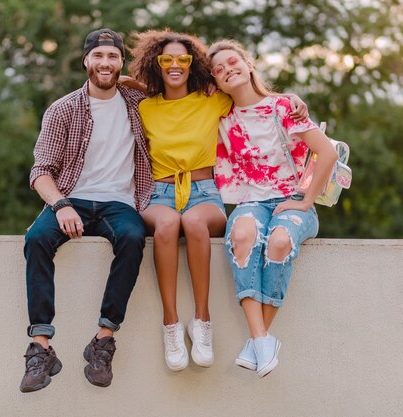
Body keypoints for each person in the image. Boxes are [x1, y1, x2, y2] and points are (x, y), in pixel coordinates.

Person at [127, 30, 308, 371]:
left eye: (184, 58)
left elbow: (253, 94)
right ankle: (171, 325)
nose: (176, 64)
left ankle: (202, 321)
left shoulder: (212, 99)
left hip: (204, 192)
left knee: (194, 222)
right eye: (167, 59)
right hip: (160, 193)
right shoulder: (146, 107)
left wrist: (292, 97)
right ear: (157, 64)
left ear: (194, 64)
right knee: (167, 225)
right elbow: (135, 90)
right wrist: (131, 82)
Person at [20, 28, 153, 391]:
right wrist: (61, 203)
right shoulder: (63, 109)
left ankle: (103, 340)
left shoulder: (138, 104)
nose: (105, 63)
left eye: (112, 57)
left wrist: (123, 79)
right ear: (85, 61)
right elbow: (40, 171)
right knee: (35, 240)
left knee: (132, 237)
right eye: (98, 56)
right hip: (72, 198)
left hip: (120, 203)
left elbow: (167, 86)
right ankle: (41, 345)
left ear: (121, 62)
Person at [207, 39, 338, 378]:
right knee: (243, 233)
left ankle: (257, 341)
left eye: (233, 62)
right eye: (218, 70)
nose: (227, 70)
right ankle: (262, 339)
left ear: (248, 64)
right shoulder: (220, 116)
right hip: (250, 203)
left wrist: (306, 201)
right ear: (216, 82)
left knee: (280, 242)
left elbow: (328, 153)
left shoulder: (284, 107)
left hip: (291, 202)